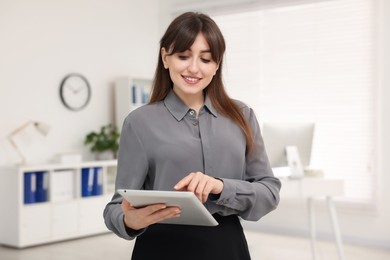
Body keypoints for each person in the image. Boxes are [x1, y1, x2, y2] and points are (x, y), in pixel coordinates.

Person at [104, 12, 281, 260]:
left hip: (226, 247)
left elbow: (269, 192)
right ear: (166, 58)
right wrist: (129, 220)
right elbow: (115, 208)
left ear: (217, 64)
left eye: (206, 59)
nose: (194, 68)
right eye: (183, 56)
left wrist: (221, 186)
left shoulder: (242, 115)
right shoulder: (139, 123)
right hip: (160, 248)